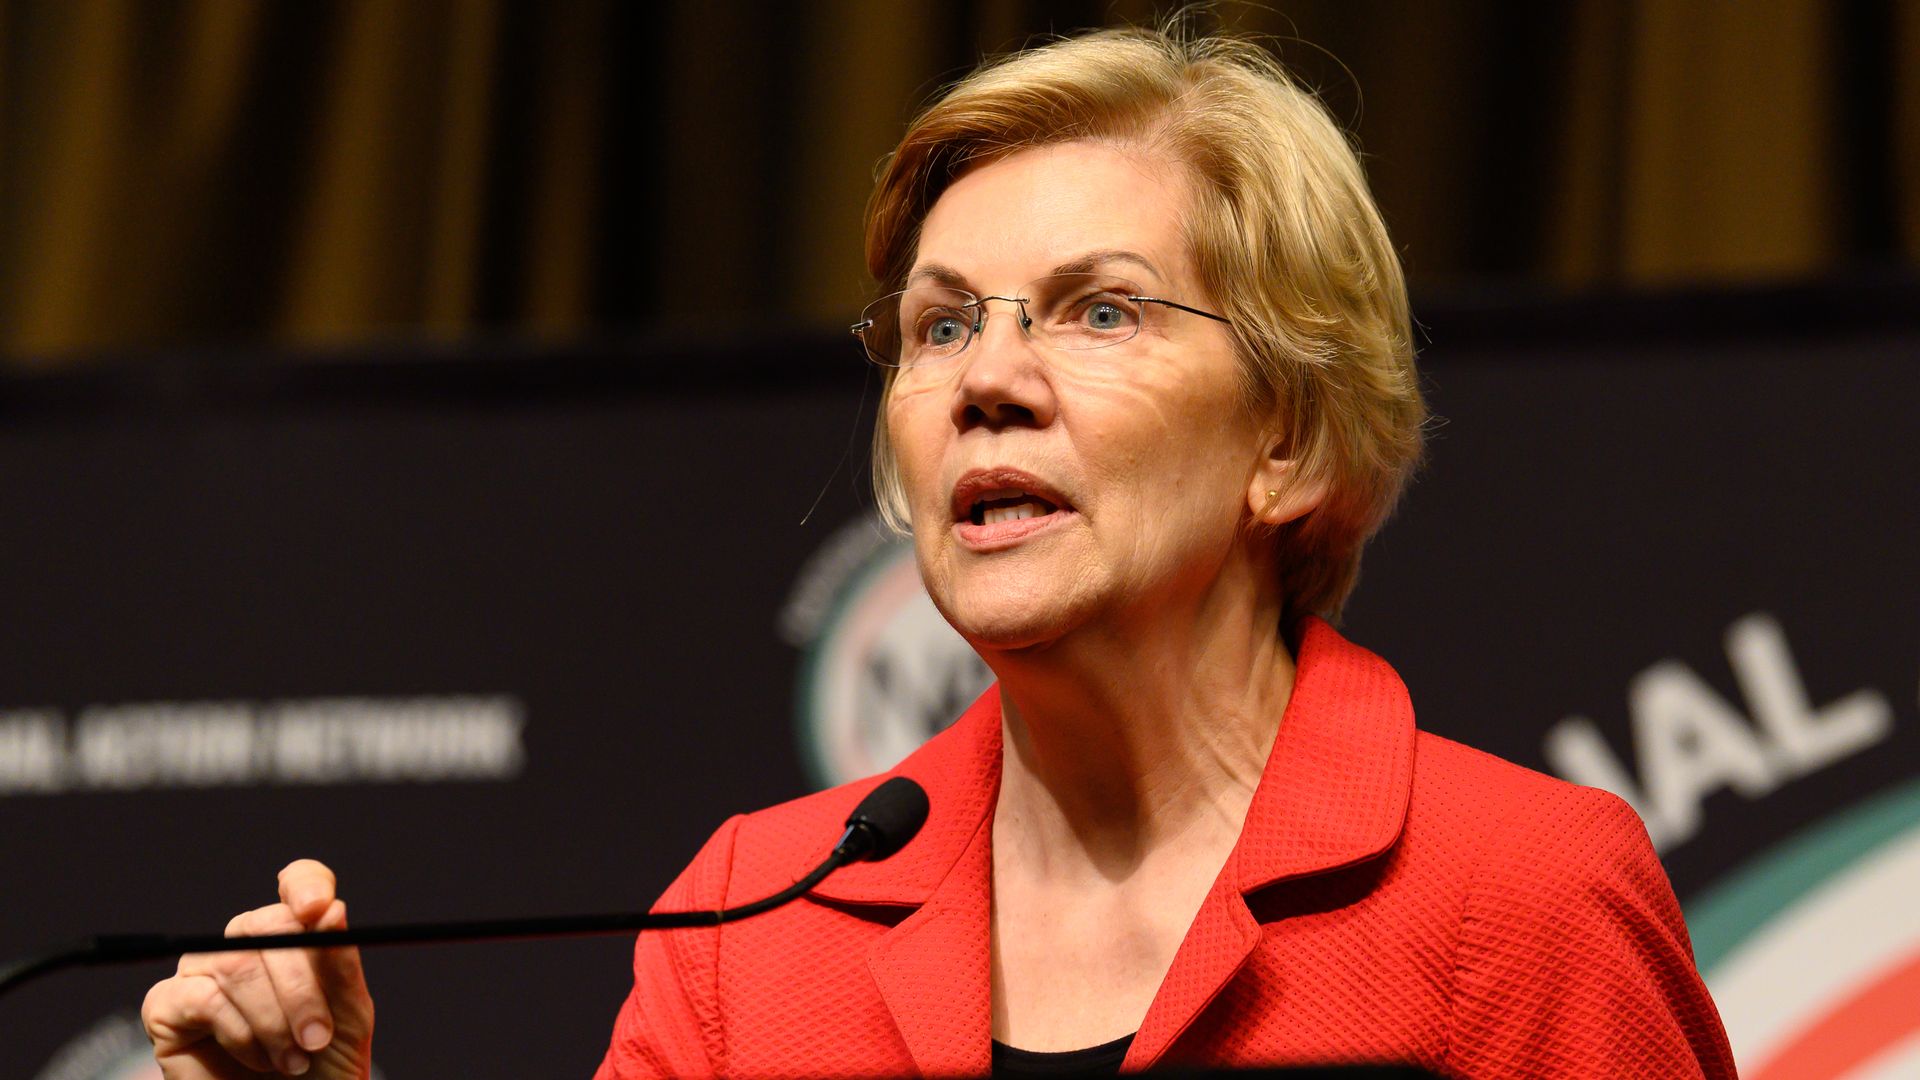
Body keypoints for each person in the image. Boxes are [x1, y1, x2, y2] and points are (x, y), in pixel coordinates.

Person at [141, 25, 1737, 1079]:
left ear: (1289, 438)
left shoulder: (1513, 899)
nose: (985, 376)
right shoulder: (755, 922)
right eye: (937, 325)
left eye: (1099, 309)